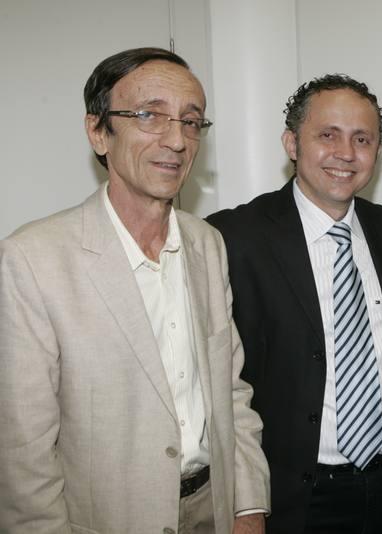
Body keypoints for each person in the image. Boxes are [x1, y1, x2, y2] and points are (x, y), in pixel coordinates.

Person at [0, 48, 269, 533]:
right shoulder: (32, 259)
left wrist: (247, 507)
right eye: (149, 115)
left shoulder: (207, 244)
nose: (177, 140)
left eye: (191, 121)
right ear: (98, 131)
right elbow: (23, 453)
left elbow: (232, 393)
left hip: (214, 506)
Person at [207, 74, 382, 534]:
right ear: (292, 143)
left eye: (362, 139)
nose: (346, 153)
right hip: (293, 497)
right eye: (328, 135)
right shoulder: (233, 237)